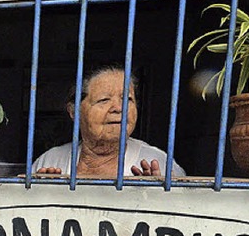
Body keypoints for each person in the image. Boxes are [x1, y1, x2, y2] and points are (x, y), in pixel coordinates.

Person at [32, 65, 186, 177]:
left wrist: (158, 197)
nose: (119, 108)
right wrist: (44, 193)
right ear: (74, 111)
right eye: (104, 100)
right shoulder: (51, 160)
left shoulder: (160, 164)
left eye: (128, 99)